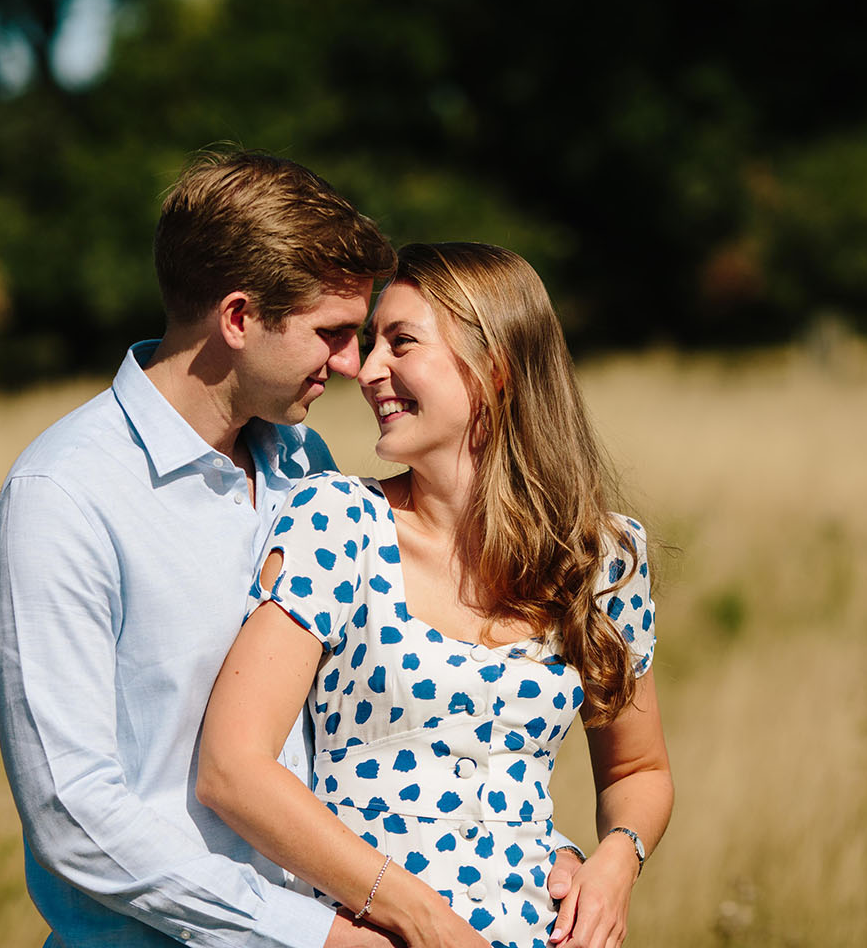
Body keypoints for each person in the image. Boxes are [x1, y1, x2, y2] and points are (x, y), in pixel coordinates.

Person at [0, 151, 410, 948]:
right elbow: (72, 814)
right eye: (333, 333)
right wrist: (307, 937)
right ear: (239, 319)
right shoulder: (65, 497)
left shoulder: (306, 467)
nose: (353, 364)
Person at [197, 242, 675, 948]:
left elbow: (641, 768)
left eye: (402, 342)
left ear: (495, 368)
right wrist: (418, 918)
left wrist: (615, 862)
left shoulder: (600, 560)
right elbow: (232, 768)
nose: (367, 370)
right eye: (370, 341)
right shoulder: (337, 526)